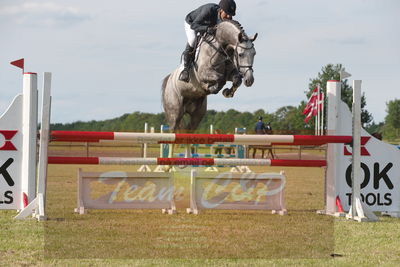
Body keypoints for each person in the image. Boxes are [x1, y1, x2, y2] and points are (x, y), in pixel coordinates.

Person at [179, 0, 237, 82]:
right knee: (193, 40)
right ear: (221, 10)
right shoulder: (209, 10)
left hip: (208, 26)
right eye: (227, 13)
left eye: (230, 15)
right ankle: (185, 69)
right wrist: (206, 29)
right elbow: (194, 25)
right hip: (192, 23)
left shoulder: (226, 18)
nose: (228, 16)